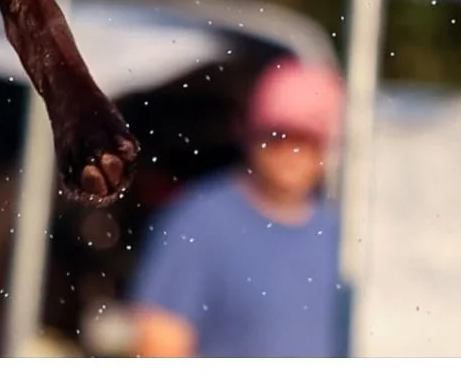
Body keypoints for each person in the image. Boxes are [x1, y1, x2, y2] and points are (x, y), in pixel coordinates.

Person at [128, 58, 346, 358]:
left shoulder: (343, 236)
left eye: (307, 139)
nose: (292, 152)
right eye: (277, 135)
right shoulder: (197, 223)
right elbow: (160, 346)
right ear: (249, 131)